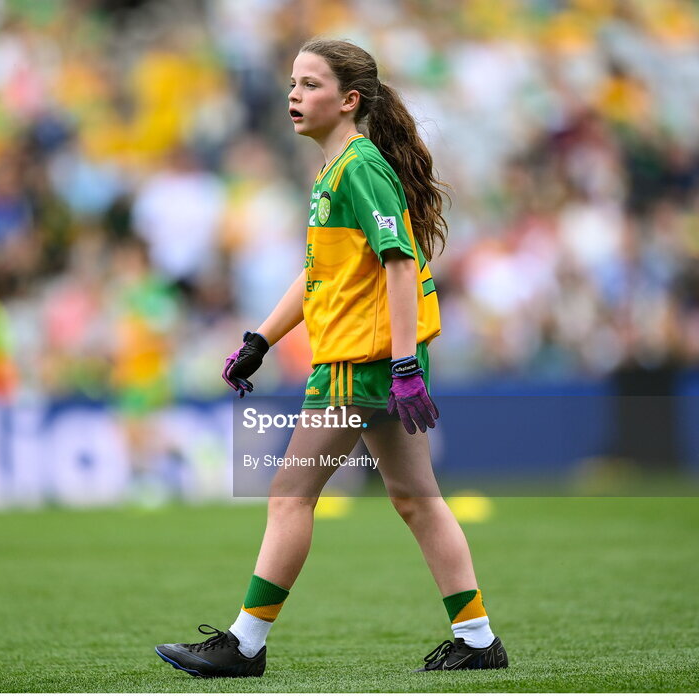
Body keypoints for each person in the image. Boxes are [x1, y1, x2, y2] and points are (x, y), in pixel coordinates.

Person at [154, 39, 508, 677]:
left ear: (349, 101)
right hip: (375, 361)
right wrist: (261, 339)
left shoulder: (358, 167)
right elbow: (320, 276)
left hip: (361, 363)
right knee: (416, 499)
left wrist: (402, 365)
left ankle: (245, 644)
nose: (294, 94)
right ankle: (479, 639)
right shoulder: (335, 171)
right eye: (292, 82)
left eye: (310, 84)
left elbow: (400, 263)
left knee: (290, 493)